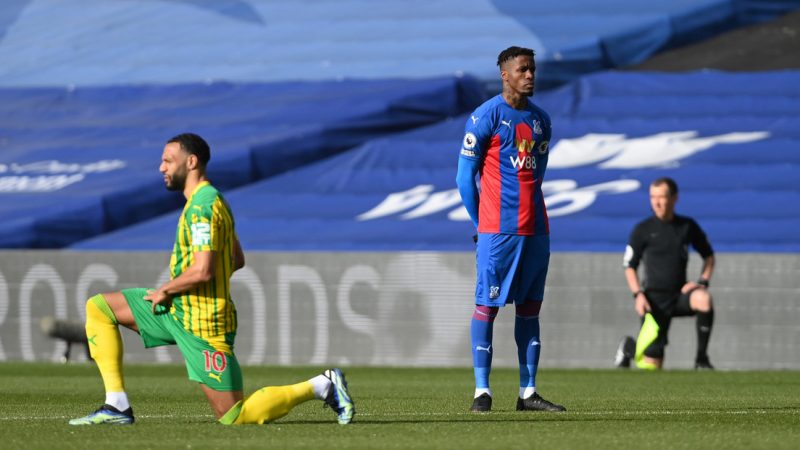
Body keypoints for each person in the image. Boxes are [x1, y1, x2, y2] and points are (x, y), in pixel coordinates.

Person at [69, 133, 354, 425]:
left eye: (168, 160)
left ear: (191, 162)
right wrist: (182, 290)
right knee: (100, 307)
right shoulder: (209, 202)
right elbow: (236, 259)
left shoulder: (203, 206)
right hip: (178, 310)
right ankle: (116, 406)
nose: (161, 168)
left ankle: (322, 385)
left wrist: (168, 288)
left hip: (204, 324)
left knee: (234, 417)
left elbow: (204, 269)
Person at [455, 46, 565, 413]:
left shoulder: (541, 121)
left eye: (532, 68)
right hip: (498, 232)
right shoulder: (486, 116)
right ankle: (481, 391)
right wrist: (481, 223)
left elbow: (539, 173)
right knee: (487, 307)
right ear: (505, 74)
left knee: (530, 310)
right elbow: (463, 177)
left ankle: (528, 392)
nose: (530, 75)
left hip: (536, 230)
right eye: (522, 69)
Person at [615, 177, 715, 370]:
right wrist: (638, 295)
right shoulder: (642, 230)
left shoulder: (687, 226)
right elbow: (629, 266)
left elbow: (709, 257)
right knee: (652, 365)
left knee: (703, 298)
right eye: (653, 197)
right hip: (653, 301)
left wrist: (702, 282)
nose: (657, 202)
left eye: (662, 197)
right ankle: (629, 348)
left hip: (679, 295)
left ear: (674, 198)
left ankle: (701, 359)